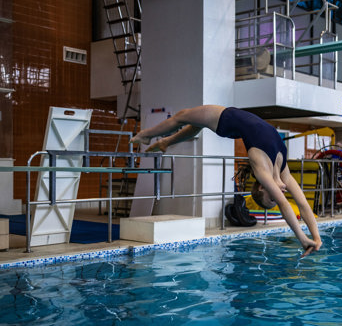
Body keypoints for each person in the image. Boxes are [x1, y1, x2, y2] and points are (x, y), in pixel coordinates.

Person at [131, 105, 322, 255]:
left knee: (182, 115)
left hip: (227, 120)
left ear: (263, 188)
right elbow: (304, 205)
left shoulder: (261, 169)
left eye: (270, 198)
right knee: (194, 126)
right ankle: (165, 142)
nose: (277, 196)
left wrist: (300, 238)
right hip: (235, 124)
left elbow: (283, 205)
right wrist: (315, 236)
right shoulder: (283, 171)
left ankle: (146, 135)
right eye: (274, 198)